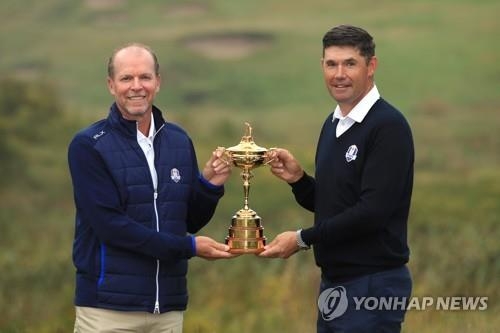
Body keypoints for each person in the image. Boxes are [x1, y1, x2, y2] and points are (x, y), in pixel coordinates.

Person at [68, 43, 235, 332]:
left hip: (168, 310)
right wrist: (189, 247)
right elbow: (111, 226)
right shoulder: (88, 145)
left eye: (145, 77)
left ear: (158, 82)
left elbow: (189, 220)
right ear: (111, 85)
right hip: (107, 310)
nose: (137, 87)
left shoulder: (179, 140)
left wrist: (208, 186)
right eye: (126, 78)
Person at [260, 25, 414, 332]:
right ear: (322, 67)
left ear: (371, 66)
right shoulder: (332, 125)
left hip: (373, 284)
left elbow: (371, 212)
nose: (339, 74)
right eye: (331, 64)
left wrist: (302, 239)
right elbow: (335, 204)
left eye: (350, 63)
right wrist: (299, 180)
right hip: (335, 283)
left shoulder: (388, 127)